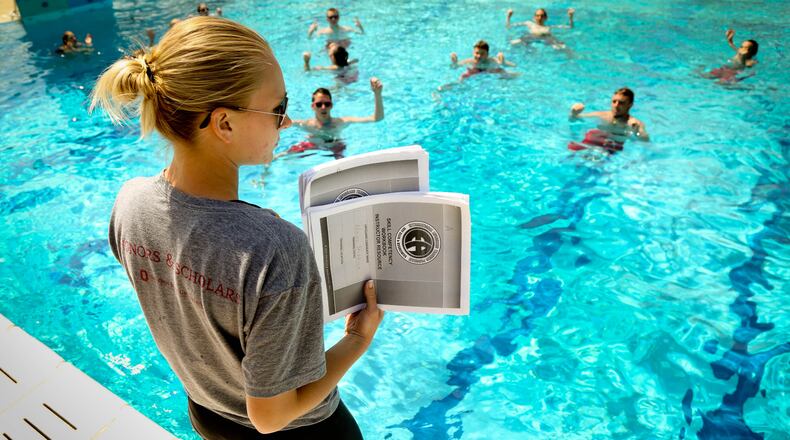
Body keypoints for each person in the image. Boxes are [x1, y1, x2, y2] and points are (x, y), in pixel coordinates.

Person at [90, 17, 384, 438]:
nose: (285, 123)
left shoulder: (130, 203)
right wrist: (357, 339)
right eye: (278, 109)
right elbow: (270, 416)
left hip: (208, 414)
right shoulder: (275, 251)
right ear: (224, 123)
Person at [280, 79, 384, 159]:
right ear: (313, 106)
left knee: (344, 166)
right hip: (313, 144)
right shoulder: (306, 124)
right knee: (284, 156)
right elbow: (279, 121)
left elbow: (376, 118)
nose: (323, 107)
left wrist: (377, 94)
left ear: (331, 105)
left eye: (327, 104)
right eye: (319, 104)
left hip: (336, 146)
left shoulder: (341, 122)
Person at [567, 87, 649, 154]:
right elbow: (574, 120)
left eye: (621, 103)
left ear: (630, 105)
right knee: (569, 152)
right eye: (614, 102)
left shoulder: (633, 123)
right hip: (592, 141)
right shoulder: (602, 116)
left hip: (610, 148)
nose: (616, 105)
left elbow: (645, 141)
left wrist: (637, 132)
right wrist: (573, 113)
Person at [506, 7, 574, 49]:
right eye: (537, 16)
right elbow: (509, 26)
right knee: (513, 43)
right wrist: (508, 17)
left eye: (542, 16)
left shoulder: (548, 27)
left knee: (563, 47)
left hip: (546, 38)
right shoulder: (529, 23)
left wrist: (570, 17)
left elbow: (570, 27)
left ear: (545, 18)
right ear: (534, 17)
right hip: (530, 37)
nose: (539, 18)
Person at [449, 40, 516, 81]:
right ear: (473, 53)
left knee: (504, 72)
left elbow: (513, 65)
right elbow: (455, 67)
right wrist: (454, 62)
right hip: (475, 71)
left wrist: (503, 62)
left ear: (487, 54)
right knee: (463, 76)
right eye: (477, 53)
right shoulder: (470, 61)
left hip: (489, 71)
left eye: (482, 54)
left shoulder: (493, 60)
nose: (479, 56)